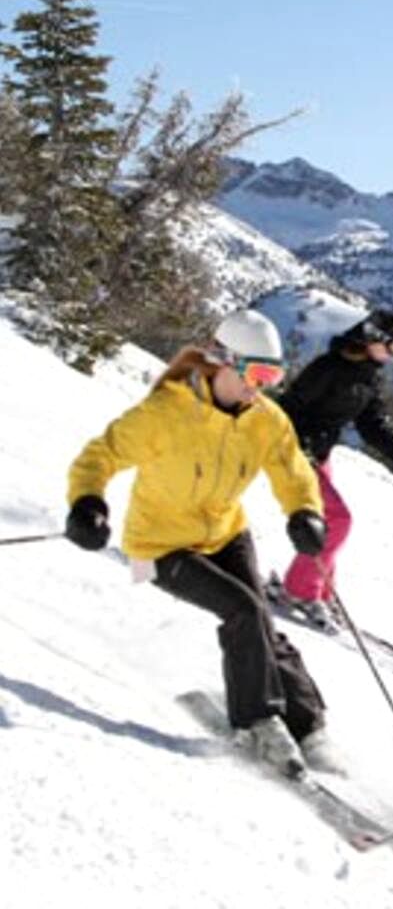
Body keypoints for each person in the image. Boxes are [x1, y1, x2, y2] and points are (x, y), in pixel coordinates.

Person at [65, 308, 340, 778]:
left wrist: (304, 512)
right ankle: (255, 723)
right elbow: (101, 455)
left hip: (225, 533)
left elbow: (292, 470)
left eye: (272, 375)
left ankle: (307, 724)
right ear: (221, 361)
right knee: (243, 610)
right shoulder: (167, 412)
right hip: (158, 547)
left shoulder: (266, 420)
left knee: (260, 624)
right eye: (255, 372)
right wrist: (87, 503)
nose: (261, 385)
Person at [274, 307, 393, 632]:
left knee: (327, 527)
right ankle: (298, 591)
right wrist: (299, 446)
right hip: (295, 452)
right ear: (374, 338)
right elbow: (289, 406)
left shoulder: (368, 377)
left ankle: (319, 590)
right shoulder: (328, 368)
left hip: (319, 455)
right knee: (337, 520)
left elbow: (372, 426)